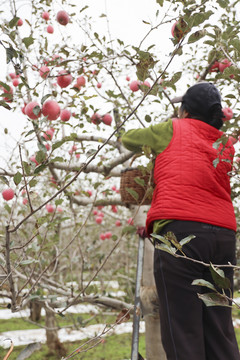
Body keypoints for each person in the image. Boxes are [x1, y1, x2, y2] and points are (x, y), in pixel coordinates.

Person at [122, 81, 240, 360]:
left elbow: (129, 138)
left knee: (182, 327)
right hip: (222, 237)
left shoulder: (171, 128)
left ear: (185, 111)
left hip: (181, 235)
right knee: (218, 325)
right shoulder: (225, 143)